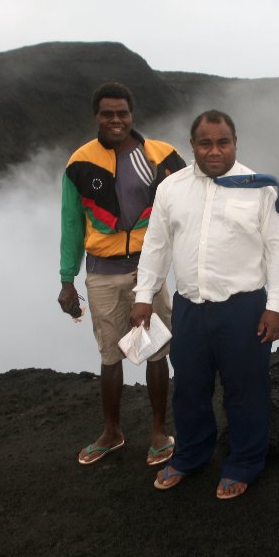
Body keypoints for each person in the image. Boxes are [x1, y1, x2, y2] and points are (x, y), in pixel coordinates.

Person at [130, 110, 279, 500]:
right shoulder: (171, 189)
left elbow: (278, 250)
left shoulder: (260, 188)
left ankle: (244, 462)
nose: (214, 149)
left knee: (246, 390)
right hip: (189, 308)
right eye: (205, 142)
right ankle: (190, 456)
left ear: (235, 142)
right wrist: (143, 298)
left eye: (223, 141)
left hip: (244, 310)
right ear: (192, 146)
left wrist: (276, 306)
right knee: (189, 388)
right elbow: (156, 246)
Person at [58, 81, 186, 467]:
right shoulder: (80, 162)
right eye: (107, 114)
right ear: (96, 116)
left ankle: (159, 432)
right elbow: (71, 224)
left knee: (156, 350)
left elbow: (190, 209)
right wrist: (67, 280)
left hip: (151, 270)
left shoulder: (162, 156)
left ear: (132, 115)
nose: (116, 120)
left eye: (122, 113)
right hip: (101, 273)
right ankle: (111, 432)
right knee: (110, 354)